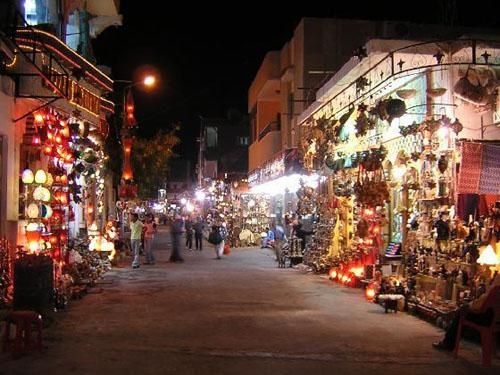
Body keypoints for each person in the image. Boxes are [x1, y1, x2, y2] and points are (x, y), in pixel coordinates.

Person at [433, 271, 500, 351]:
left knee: (462, 311)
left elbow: (484, 301)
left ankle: (448, 342)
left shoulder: (498, 281)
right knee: (463, 310)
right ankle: (452, 321)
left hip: (487, 317)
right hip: (495, 318)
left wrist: (470, 305)